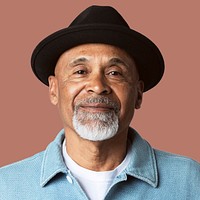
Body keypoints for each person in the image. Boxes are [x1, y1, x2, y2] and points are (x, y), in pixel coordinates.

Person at [0, 5, 199, 200]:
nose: (97, 86)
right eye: (80, 72)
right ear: (54, 90)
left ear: (138, 94)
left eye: (114, 73)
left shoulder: (191, 181)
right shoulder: (6, 186)